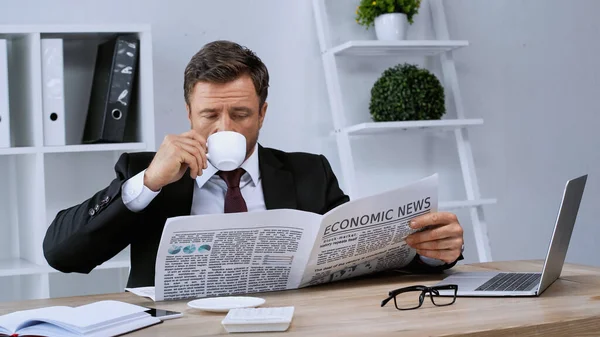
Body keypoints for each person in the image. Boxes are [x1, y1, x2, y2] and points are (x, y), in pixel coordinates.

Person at [43, 40, 464, 288]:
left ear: (263, 113)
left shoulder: (309, 172)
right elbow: (62, 254)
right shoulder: (148, 172)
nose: (224, 127)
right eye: (209, 115)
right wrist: (149, 181)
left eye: (241, 114)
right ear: (189, 113)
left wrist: (431, 254)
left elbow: (356, 256)